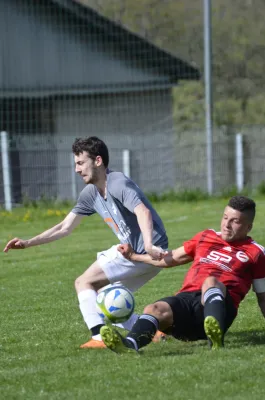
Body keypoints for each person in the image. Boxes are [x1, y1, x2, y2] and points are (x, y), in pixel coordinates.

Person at [3, 136, 168, 348]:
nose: (77, 170)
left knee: (84, 283)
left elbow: (142, 211)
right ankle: (150, 331)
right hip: (139, 253)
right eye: (75, 164)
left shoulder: (117, 183)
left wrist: (148, 245)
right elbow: (65, 227)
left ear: (97, 161)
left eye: (80, 163)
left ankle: (98, 337)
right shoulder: (90, 193)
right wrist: (27, 243)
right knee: (103, 296)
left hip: (146, 252)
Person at [100, 195, 265, 353]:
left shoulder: (256, 253)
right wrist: (133, 256)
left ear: (248, 227)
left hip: (221, 306)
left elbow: (262, 296)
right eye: (225, 217)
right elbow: (170, 259)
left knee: (211, 282)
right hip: (186, 301)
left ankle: (215, 335)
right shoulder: (206, 236)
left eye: (235, 221)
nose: (226, 225)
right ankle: (129, 345)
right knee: (153, 308)